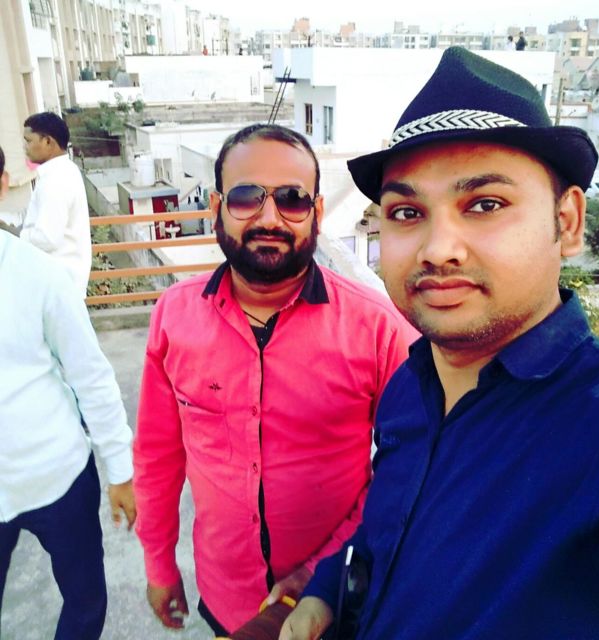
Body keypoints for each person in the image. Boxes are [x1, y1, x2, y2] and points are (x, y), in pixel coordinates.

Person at [281, 46, 599, 640]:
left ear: (568, 222)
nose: (437, 248)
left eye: (485, 204)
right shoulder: (410, 385)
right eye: (406, 212)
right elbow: (388, 531)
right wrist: (324, 592)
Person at [133, 124, 417, 635]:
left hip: (338, 599)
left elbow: (414, 466)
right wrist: (159, 565)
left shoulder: (378, 329)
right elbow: (158, 455)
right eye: (246, 197)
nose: (269, 218)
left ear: (317, 212)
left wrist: (321, 571)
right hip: (224, 594)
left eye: (291, 199)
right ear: (216, 207)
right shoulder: (174, 317)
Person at [0, 144, 136, 639]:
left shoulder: (37, 274)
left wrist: (120, 470)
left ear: (0, 185)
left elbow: (90, 374)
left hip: (59, 475)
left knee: (85, 600)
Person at [20, 112, 91, 295]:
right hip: (63, 284)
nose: (24, 147)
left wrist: (18, 236)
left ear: (47, 142)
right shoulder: (65, 171)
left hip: (58, 286)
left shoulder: (56, 180)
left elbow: (47, 238)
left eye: (28, 141)